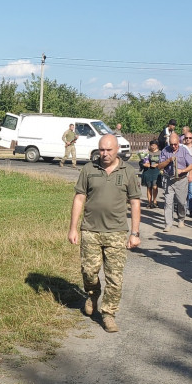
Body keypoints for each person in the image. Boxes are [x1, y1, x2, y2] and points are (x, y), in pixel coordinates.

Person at [67, 134, 142, 333]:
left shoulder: (128, 171)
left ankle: (108, 314)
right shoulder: (89, 169)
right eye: (101, 149)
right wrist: (73, 228)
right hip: (90, 230)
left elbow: (135, 202)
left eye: (109, 150)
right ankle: (92, 294)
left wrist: (135, 232)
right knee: (89, 272)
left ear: (117, 149)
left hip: (116, 232)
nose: (105, 154)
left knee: (115, 278)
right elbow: (79, 198)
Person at [156, 132, 192, 230]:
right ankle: (168, 224)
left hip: (181, 180)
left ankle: (181, 219)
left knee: (181, 202)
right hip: (169, 179)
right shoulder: (165, 150)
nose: (173, 146)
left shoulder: (184, 150)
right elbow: (159, 166)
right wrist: (168, 161)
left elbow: (191, 165)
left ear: (179, 142)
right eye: (171, 144)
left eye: (175, 144)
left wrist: (183, 170)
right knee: (168, 202)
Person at [139, 140, 161, 208]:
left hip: (156, 171)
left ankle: (154, 200)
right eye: (151, 145)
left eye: (154, 145)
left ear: (157, 145)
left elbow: (163, 162)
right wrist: (143, 164)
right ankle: (149, 202)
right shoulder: (146, 153)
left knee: (154, 186)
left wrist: (157, 164)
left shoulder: (160, 153)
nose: (153, 146)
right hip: (148, 171)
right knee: (149, 187)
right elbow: (141, 162)